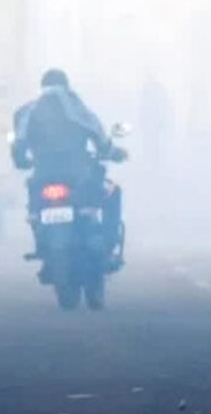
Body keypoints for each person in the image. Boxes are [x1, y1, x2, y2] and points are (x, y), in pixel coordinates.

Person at [11, 69, 127, 268]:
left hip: (43, 176)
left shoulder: (29, 111)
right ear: (67, 86)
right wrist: (113, 152)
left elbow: (18, 143)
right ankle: (109, 247)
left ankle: (42, 241)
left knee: (34, 206)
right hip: (78, 175)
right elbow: (100, 137)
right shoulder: (76, 108)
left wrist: (22, 160)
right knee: (112, 192)